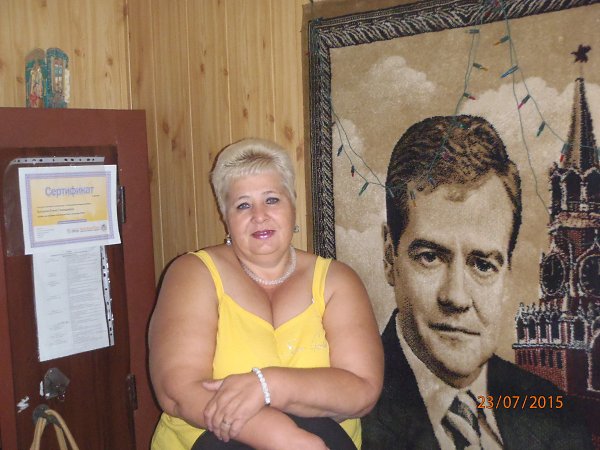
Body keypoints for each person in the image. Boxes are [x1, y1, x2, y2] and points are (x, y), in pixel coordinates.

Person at [361, 115, 593, 449]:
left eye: (483, 264)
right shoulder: (340, 418)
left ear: (506, 273)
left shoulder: (558, 417)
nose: (456, 297)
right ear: (388, 257)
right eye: (430, 257)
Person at [149, 138, 384, 450]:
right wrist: (282, 437)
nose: (259, 215)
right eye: (243, 205)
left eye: (271, 200)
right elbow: (177, 392)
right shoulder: (193, 273)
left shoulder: (337, 281)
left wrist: (267, 385)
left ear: (292, 206)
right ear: (225, 217)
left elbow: (362, 391)